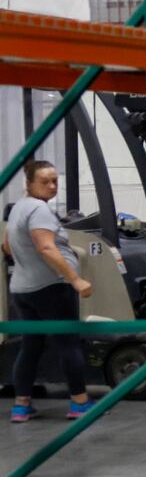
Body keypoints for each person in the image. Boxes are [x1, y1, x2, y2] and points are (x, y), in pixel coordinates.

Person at [2, 160, 95, 422]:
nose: (52, 186)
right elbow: (46, 248)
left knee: (31, 345)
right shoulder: (39, 210)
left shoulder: (18, 208)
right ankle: (79, 403)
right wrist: (75, 279)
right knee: (68, 343)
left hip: (22, 288)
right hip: (50, 288)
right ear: (29, 184)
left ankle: (21, 405)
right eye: (45, 181)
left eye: (55, 180)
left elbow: (8, 246)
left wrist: (27, 264)